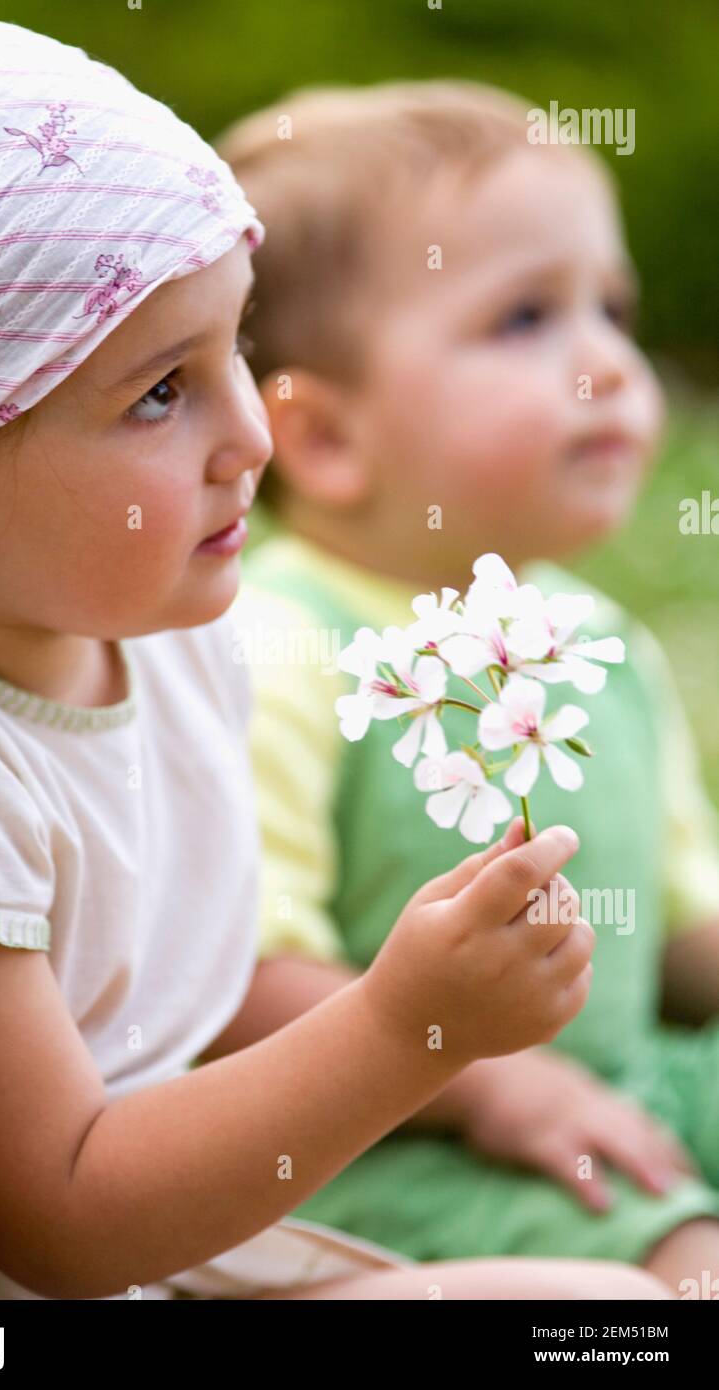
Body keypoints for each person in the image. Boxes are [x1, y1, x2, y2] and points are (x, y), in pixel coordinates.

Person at [0, 9, 669, 1302]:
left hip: (203, 1250)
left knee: (614, 1316)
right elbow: (63, 1214)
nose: (253, 432)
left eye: (234, 344)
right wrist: (415, 1026)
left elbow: (192, 990)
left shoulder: (178, 641)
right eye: (158, 392)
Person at [217, 80, 719, 1296]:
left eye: (610, 308)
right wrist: (484, 1079)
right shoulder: (278, 643)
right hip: (392, 1142)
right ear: (325, 437)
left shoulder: (594, 637)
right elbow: (232, 975)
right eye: (523, 320)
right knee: (686, 1261)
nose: (604, 362)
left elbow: (670, 931)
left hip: (607, 1104)